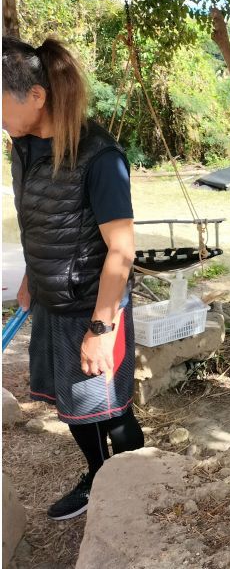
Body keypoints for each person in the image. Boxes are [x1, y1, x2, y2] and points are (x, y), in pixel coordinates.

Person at [3, 36, 144, 520]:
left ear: (35, 96)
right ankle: (98, 475)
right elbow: (40, 218)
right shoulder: (22, 145)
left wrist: (102, 330)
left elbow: (122, 249)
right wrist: (30, 275)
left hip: (93, 305)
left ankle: (132, 488)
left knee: (112, 409)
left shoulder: (99, 157)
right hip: (51, 300)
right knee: (74, 408)